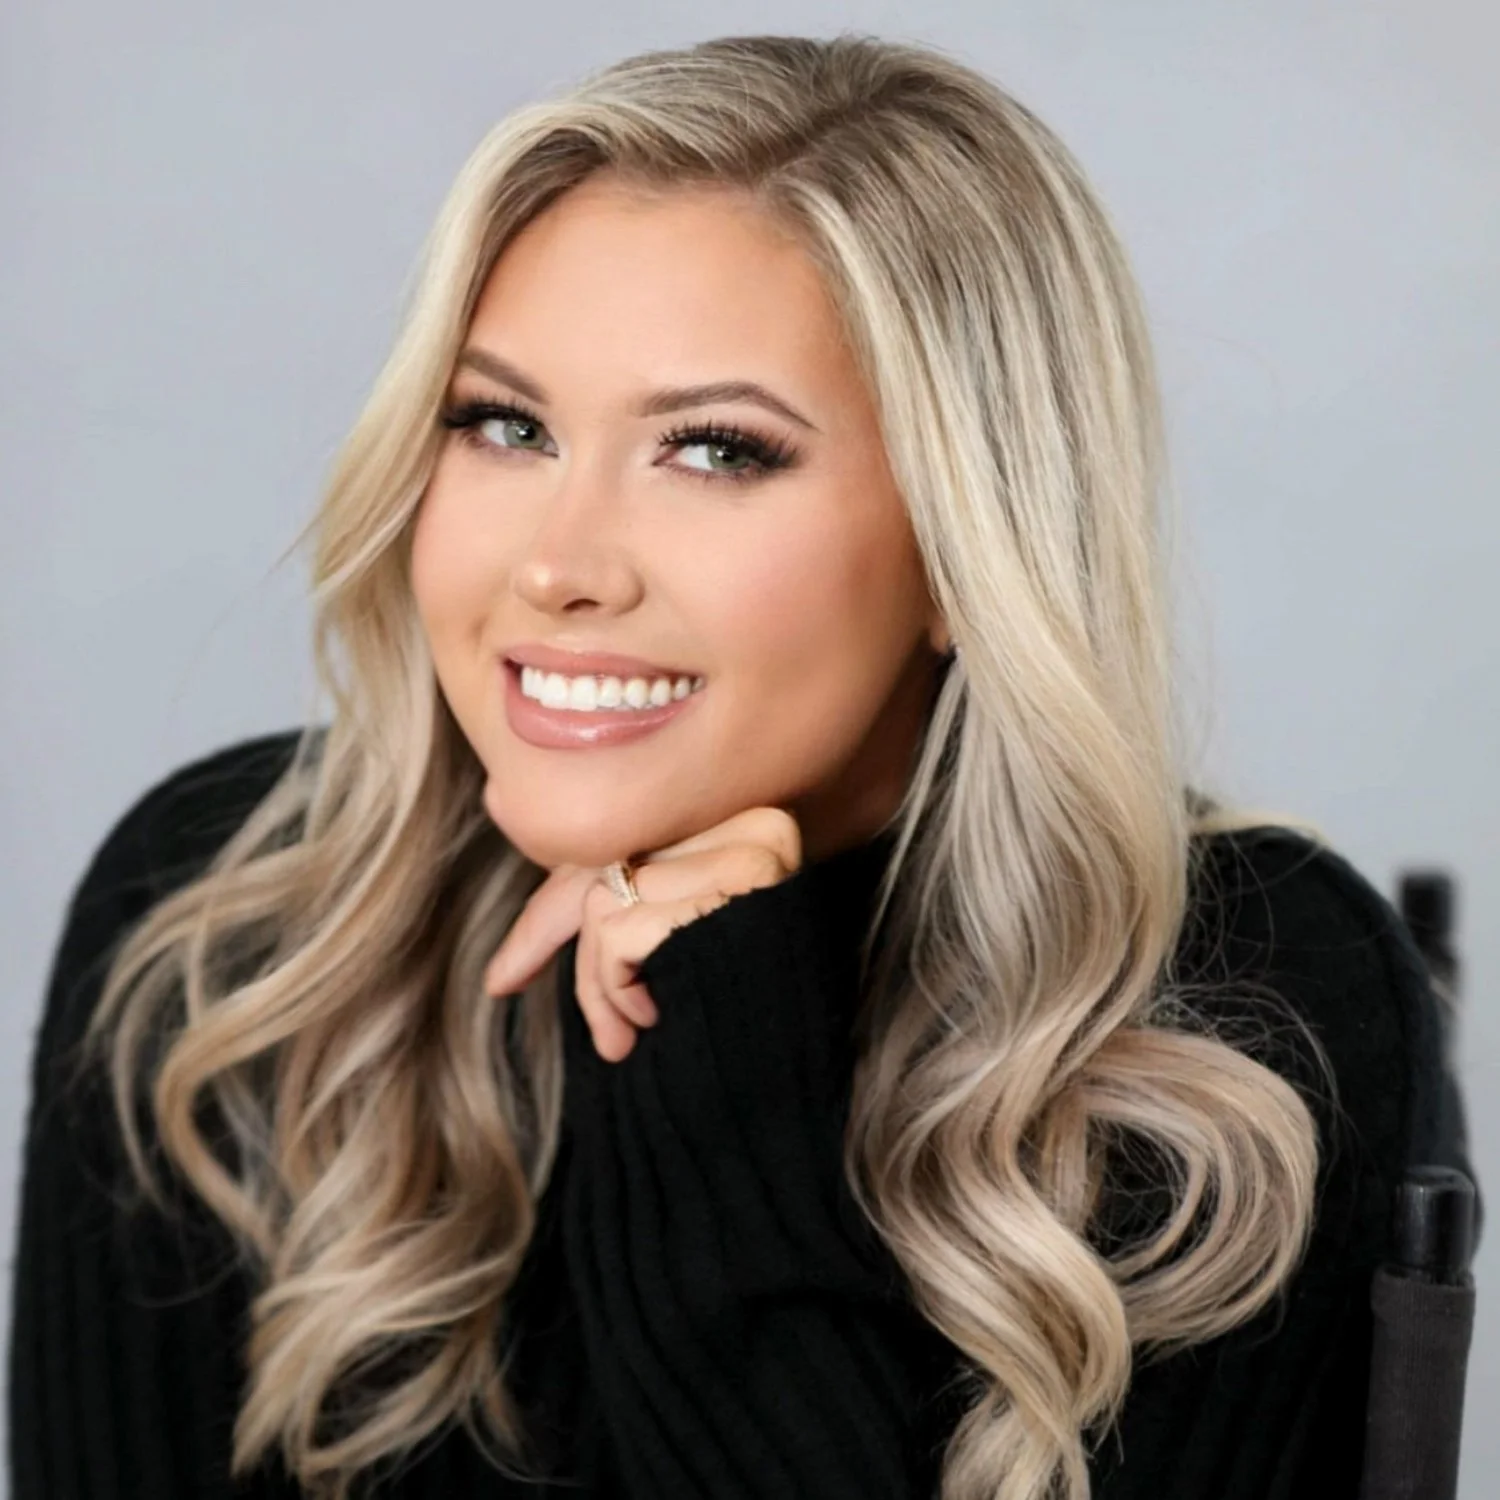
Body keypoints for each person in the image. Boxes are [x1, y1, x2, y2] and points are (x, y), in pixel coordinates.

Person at [7, 31, 1480, 1500]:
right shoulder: (236, 926)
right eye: (502, 425)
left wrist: (713, 1035)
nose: (559, 566)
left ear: (968, 548)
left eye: (715, 451)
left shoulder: (1246, 1020)